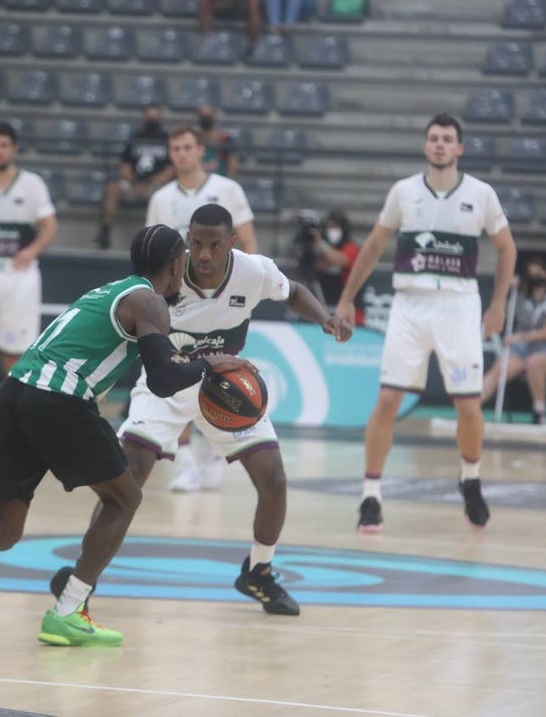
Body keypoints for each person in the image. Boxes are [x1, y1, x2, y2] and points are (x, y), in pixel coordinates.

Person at [0, 225, 251, 647]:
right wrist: (210, 364)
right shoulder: (150, 301)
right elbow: (162, 380)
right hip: (59, 399)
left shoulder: (112, 290)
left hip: (13, 395)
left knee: (4, 529)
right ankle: (69, 610)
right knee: (125, 498)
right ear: (176, 263)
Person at [54, 204, 352, 617]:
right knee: (128, 477)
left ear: (232, 243)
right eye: (196, 244)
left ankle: (259, 572)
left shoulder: (254, 270)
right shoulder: (165, 278)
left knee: (274, 478)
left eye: (215, 245)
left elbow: (296, 290)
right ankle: (82, 581)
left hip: (223, 387)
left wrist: (325, 317)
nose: (205, 254)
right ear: (187, 242)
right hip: (167, 385)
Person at [335, 113, 517, 533]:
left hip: (459, 306)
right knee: (387, 401)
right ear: (425, 146)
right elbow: (375, 246)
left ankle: (470, 480)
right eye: (433, 138)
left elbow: (507, 249)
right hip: (410, 305)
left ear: (459, 148)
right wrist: (346, 298)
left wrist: (498, 305)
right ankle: (371, 495)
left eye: (447, 139)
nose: (439, 144)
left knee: (468, 406)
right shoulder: (403, 192)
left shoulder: (481, 194)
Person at [145, 126, 257, 492]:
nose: (181, 153)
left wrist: (250, 288)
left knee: (221, 378)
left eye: (187, 147)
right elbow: (154, 254)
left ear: (200, 151)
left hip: (223, 302)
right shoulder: (161, 197)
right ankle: (186, 463)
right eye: (174, 147)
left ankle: (213, 452)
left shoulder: (228, 189)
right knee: (179, 379)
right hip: (180, 302)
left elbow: (249, 246)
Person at [0, 121, 58, 464]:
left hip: (20, 279)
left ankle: (17, 429)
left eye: (4, 144)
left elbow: (49, 227)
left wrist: (31, 251)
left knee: (16, 358)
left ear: (14, 149)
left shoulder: (31, 185)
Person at [480, 257, 546, 424]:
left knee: (534, 363)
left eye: (538, 273)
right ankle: (470, 407)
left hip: (545, 351)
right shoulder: (518, 299)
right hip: (519, 350)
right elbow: (502, 313)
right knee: (501, 366)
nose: (535, 277)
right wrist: (507, 289)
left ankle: (539, 412)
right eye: (531, 274)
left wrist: (520, 337)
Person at [94, 104, 173, 250]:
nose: (152, 119)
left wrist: (150, 183)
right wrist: (135, 182)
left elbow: (170, 169)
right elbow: (125, 166)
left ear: (160, 118)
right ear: (143, 117)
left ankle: (165, 239)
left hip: (157, 185)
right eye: (149, 116)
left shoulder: (167, 139)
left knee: (168, 193)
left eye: (155, 116)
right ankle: (105, 232)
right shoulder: (134, 138)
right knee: (112, 187)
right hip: (134, 183)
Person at [311, 210, 364, 326]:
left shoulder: (352, 247)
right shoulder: (321, 252)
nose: (331, 230)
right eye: (328, 227)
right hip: (324, 308)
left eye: (335, 227)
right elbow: (318, 265)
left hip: (350, 311)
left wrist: (321, 243)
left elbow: (342, 260)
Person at [197, 104, 239, 179]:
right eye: (203, 116)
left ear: (214, 116)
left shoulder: (226, 139)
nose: (205, 119)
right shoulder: (194, 140)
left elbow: (233, 167)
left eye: (208, 116)